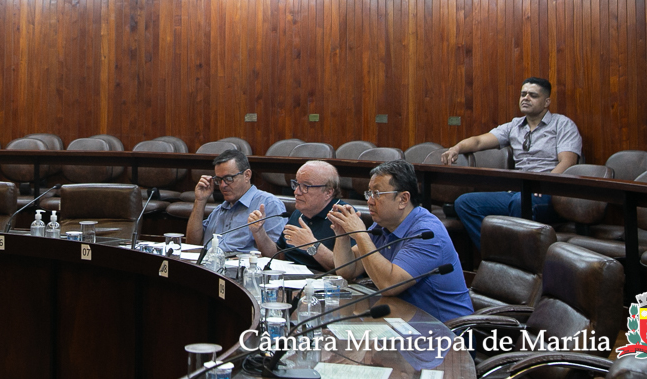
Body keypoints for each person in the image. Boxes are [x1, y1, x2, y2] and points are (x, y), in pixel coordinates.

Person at [441, 76, 581, 250]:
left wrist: (543, 184)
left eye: (532, 95)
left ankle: (517, 258)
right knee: (465, 203)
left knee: (519, 201)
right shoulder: (514, 126)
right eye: (523, 94)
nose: (525, 98)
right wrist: (456, 148)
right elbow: (478, 141)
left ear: (546, 102)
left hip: (548, 193)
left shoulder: (562, 124)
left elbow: (568, 162)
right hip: (518, 192)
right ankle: (496, 252)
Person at [327, 159, 473, 322]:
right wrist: (342, 235)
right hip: (403, 321)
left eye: (377, 194)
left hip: (446, 329)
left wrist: (361, 235)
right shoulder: (383, 225)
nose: (370, 201)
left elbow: (389, 285)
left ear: (403, 199)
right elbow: (347, 270)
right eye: (369, 193)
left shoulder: (427, 233)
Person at [247, 160, 342, 270]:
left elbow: (345, 269)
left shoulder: (343, 215)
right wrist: (259, 232)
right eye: (297, 184)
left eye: (306, 186)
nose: (296, 192)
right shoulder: (299, 212)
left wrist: (312, 245)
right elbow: (278, 255)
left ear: (328, 192)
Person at [185, 148, 285, 253]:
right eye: (219, 180)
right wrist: (200, 201)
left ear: (247, 175)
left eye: (228, 178)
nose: (223, 185)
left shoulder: (269, 204)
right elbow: (192, 245)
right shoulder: (219, 210)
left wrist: (259, 232)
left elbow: (277, 255)